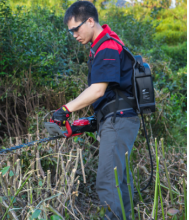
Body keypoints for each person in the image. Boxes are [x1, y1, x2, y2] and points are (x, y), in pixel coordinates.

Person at [52, 1, 140, 219]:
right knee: (119, 180)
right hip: (119, 118)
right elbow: (112, 93)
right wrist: (93, 121)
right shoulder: (106, 43)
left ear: (90, 21)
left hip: (119, 121)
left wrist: (66, 109)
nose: (74, 35)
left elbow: (98, 90)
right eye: (70, 31)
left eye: (76, 29)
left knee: (108, 182)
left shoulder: (107, 47)